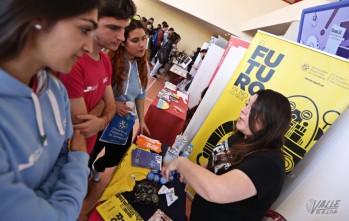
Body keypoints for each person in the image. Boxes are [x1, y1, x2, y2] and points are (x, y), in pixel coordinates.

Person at [0, 0, 100, 220]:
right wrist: (78, 162)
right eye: (84, 29)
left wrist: (42, 201)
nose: (88, 46)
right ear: (37, 19)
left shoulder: (55, 89)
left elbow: (66, 152)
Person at [162, 89, 291, 221]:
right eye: (247, 104)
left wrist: (181, 163)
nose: (243, 110)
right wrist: (194, 174)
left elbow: (216, 190)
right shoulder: (242, 136)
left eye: (253, 109)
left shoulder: (269, 165)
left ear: (270, 122)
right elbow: (216, 160)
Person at [59, 0, 137, 154]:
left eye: (123, 29)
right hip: (65, 151)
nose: (121, 37)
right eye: (114, 28)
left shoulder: (105, 60)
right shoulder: (73, 62)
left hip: (86, 148)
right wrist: (104, 107)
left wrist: (100, 122)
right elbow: (81, 124)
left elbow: (111, 105)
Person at [89, 19, 150, 182]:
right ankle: (84, 173)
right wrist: (113, 104)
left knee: (116, 157)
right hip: (102, 115)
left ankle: (98, 167)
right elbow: (96, 90)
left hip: (123, 121)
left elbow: (141, 94)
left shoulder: (144, 66)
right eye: (135, 40)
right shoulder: (109, 61)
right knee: (89, 153)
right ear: (123, 42)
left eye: (144, 38)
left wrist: (142, 120)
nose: (142, 45)